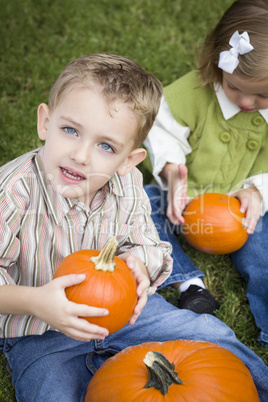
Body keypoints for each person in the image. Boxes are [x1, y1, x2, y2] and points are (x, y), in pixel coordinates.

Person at [0, 53, 267, 402]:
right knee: (51, 391)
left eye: (105, 146)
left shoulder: (128, 186)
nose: (81, 155)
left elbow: (150, 245)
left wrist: (140, 264)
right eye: (70, 130)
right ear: (44, 122)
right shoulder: (13, 193)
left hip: (128, 314)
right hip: (39, 330)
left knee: (210, 336)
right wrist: (37, 302)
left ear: (128, 160)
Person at [144, 0, 268, 348]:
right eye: (235, 88)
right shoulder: (193, 93)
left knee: (265, 256)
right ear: (218, 62)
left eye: (262, 95)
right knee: (137, 205)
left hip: (243, 207)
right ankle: (189, 285)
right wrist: (172, 173)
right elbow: (161, 131)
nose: (246, 101)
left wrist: (259, 191)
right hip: (184, 198)